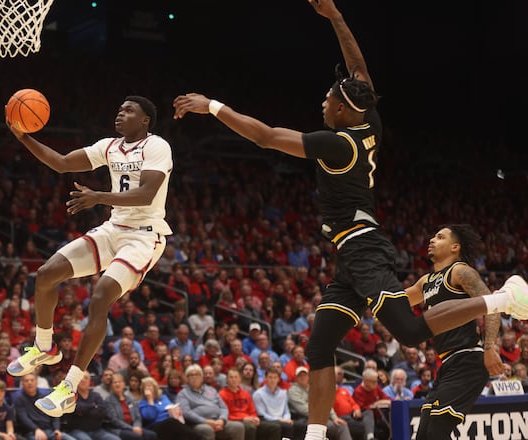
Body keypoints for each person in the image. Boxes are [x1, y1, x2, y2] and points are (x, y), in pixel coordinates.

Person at [171, 0, 528, 438]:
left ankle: (502, 299)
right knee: (319, 344)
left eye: (328, 97)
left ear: (342, 109)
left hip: (364, 247)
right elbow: (360, 71)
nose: (323, 100)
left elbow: (264, 136)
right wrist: (336, 17)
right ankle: (316, 436)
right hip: (352, 252)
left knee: (412, 333)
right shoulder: (369, 121)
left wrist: (212, 106)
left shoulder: (338, 144)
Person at [6, 95, 173, 418]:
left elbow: (146, 193)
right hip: (113, 229)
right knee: (45, 274)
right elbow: (61, 162)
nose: (120, 113)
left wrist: (98, 197)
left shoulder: (157, 146)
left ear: (145, 121)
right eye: (119, 108)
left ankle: (68, 387)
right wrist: (23, 136)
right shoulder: (109, 147)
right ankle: (45, 346)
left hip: (143, 237)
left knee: (100, 297)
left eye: (129, 110)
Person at [402, 225, 502, 439]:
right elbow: (395, 302)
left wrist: (490, 347)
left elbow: (493, 306)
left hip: (469, 359)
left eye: (439, 237)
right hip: (447, 364)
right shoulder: (425, 282)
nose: (431, 239)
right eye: (433, 236)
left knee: (437, 431)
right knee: (425, 434)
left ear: (455, 247)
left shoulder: (460, 271)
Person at [176, 364, 245, 440]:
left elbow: (223, 407)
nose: (194, 377)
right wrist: (206, 421)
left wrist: (222, 420)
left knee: (238, 427)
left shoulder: (211, 390)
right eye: (191, 375)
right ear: (187, 378)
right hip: (198, 423)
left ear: (202, 377)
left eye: (197, 374)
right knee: (207, 430)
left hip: (218, 420)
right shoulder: (183, 394)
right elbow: (186, 413)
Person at [218, 368, 281, 440]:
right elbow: (225, 414)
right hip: (235, 421)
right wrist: (243, 419)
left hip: (249, 419)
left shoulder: (245, 393)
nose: (234, 379)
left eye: (236, 377)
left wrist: (255, 418)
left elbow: (252, 410)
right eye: (231, 377)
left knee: (274, 427)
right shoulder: (222, 394)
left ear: (240, 379)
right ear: (227, 379)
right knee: (250, 428)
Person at [13, 373, 77, 440]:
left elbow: (54, 415)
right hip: (31, 432)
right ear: (22, 383)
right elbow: (23, 418)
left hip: (51, 431)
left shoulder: (46, 395)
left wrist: (57, 429)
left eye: (32, 380)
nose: (30, 383)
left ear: (36, 382)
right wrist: (36, 429)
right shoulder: (19, 399)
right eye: (26, 381)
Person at [61, 371, 120, 440]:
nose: (83, 380)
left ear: (90, 382)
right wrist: (93, 406)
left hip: (97, 430)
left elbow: (103, 412)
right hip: (77, 430)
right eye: (80, 378)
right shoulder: (71, 396)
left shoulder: (96, 395)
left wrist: (83, 412)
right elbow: (77, 408)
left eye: (86, 378)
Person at [137, 377, 201, 440]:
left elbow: (172, 407)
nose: (147, 388)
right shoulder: (143, 403)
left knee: (183, 435)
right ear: (143, 390)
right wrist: (150, 399)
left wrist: (177, 412)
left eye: (149, 386)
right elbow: (150, 416)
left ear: (155, 387)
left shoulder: (163, 398)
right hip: (156, 427)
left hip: (172, 424)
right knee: (171, 422)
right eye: (145, 387)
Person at [104, 373, 157, 440]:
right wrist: (132, 428)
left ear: (124, 384)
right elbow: (114, 421)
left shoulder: (130, 399)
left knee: (152, 435)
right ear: (111, 385)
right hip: (118, 429)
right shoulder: (108, 400)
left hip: (134, 426)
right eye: (115, 382)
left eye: (119, 382)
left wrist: (137, 426)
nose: (117, 384)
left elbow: (138, 417)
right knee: (136, 437)